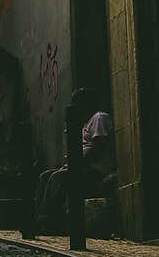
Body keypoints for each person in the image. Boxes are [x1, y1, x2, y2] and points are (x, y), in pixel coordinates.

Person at [36, 87, 115, 232]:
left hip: (95, 168)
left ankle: (49, 222)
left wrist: (77, 163)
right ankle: (39, 217)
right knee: (44, 176)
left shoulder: (99, 118)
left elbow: (98, 148)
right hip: (82, 165)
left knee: (57, 177)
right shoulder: (86, 123)